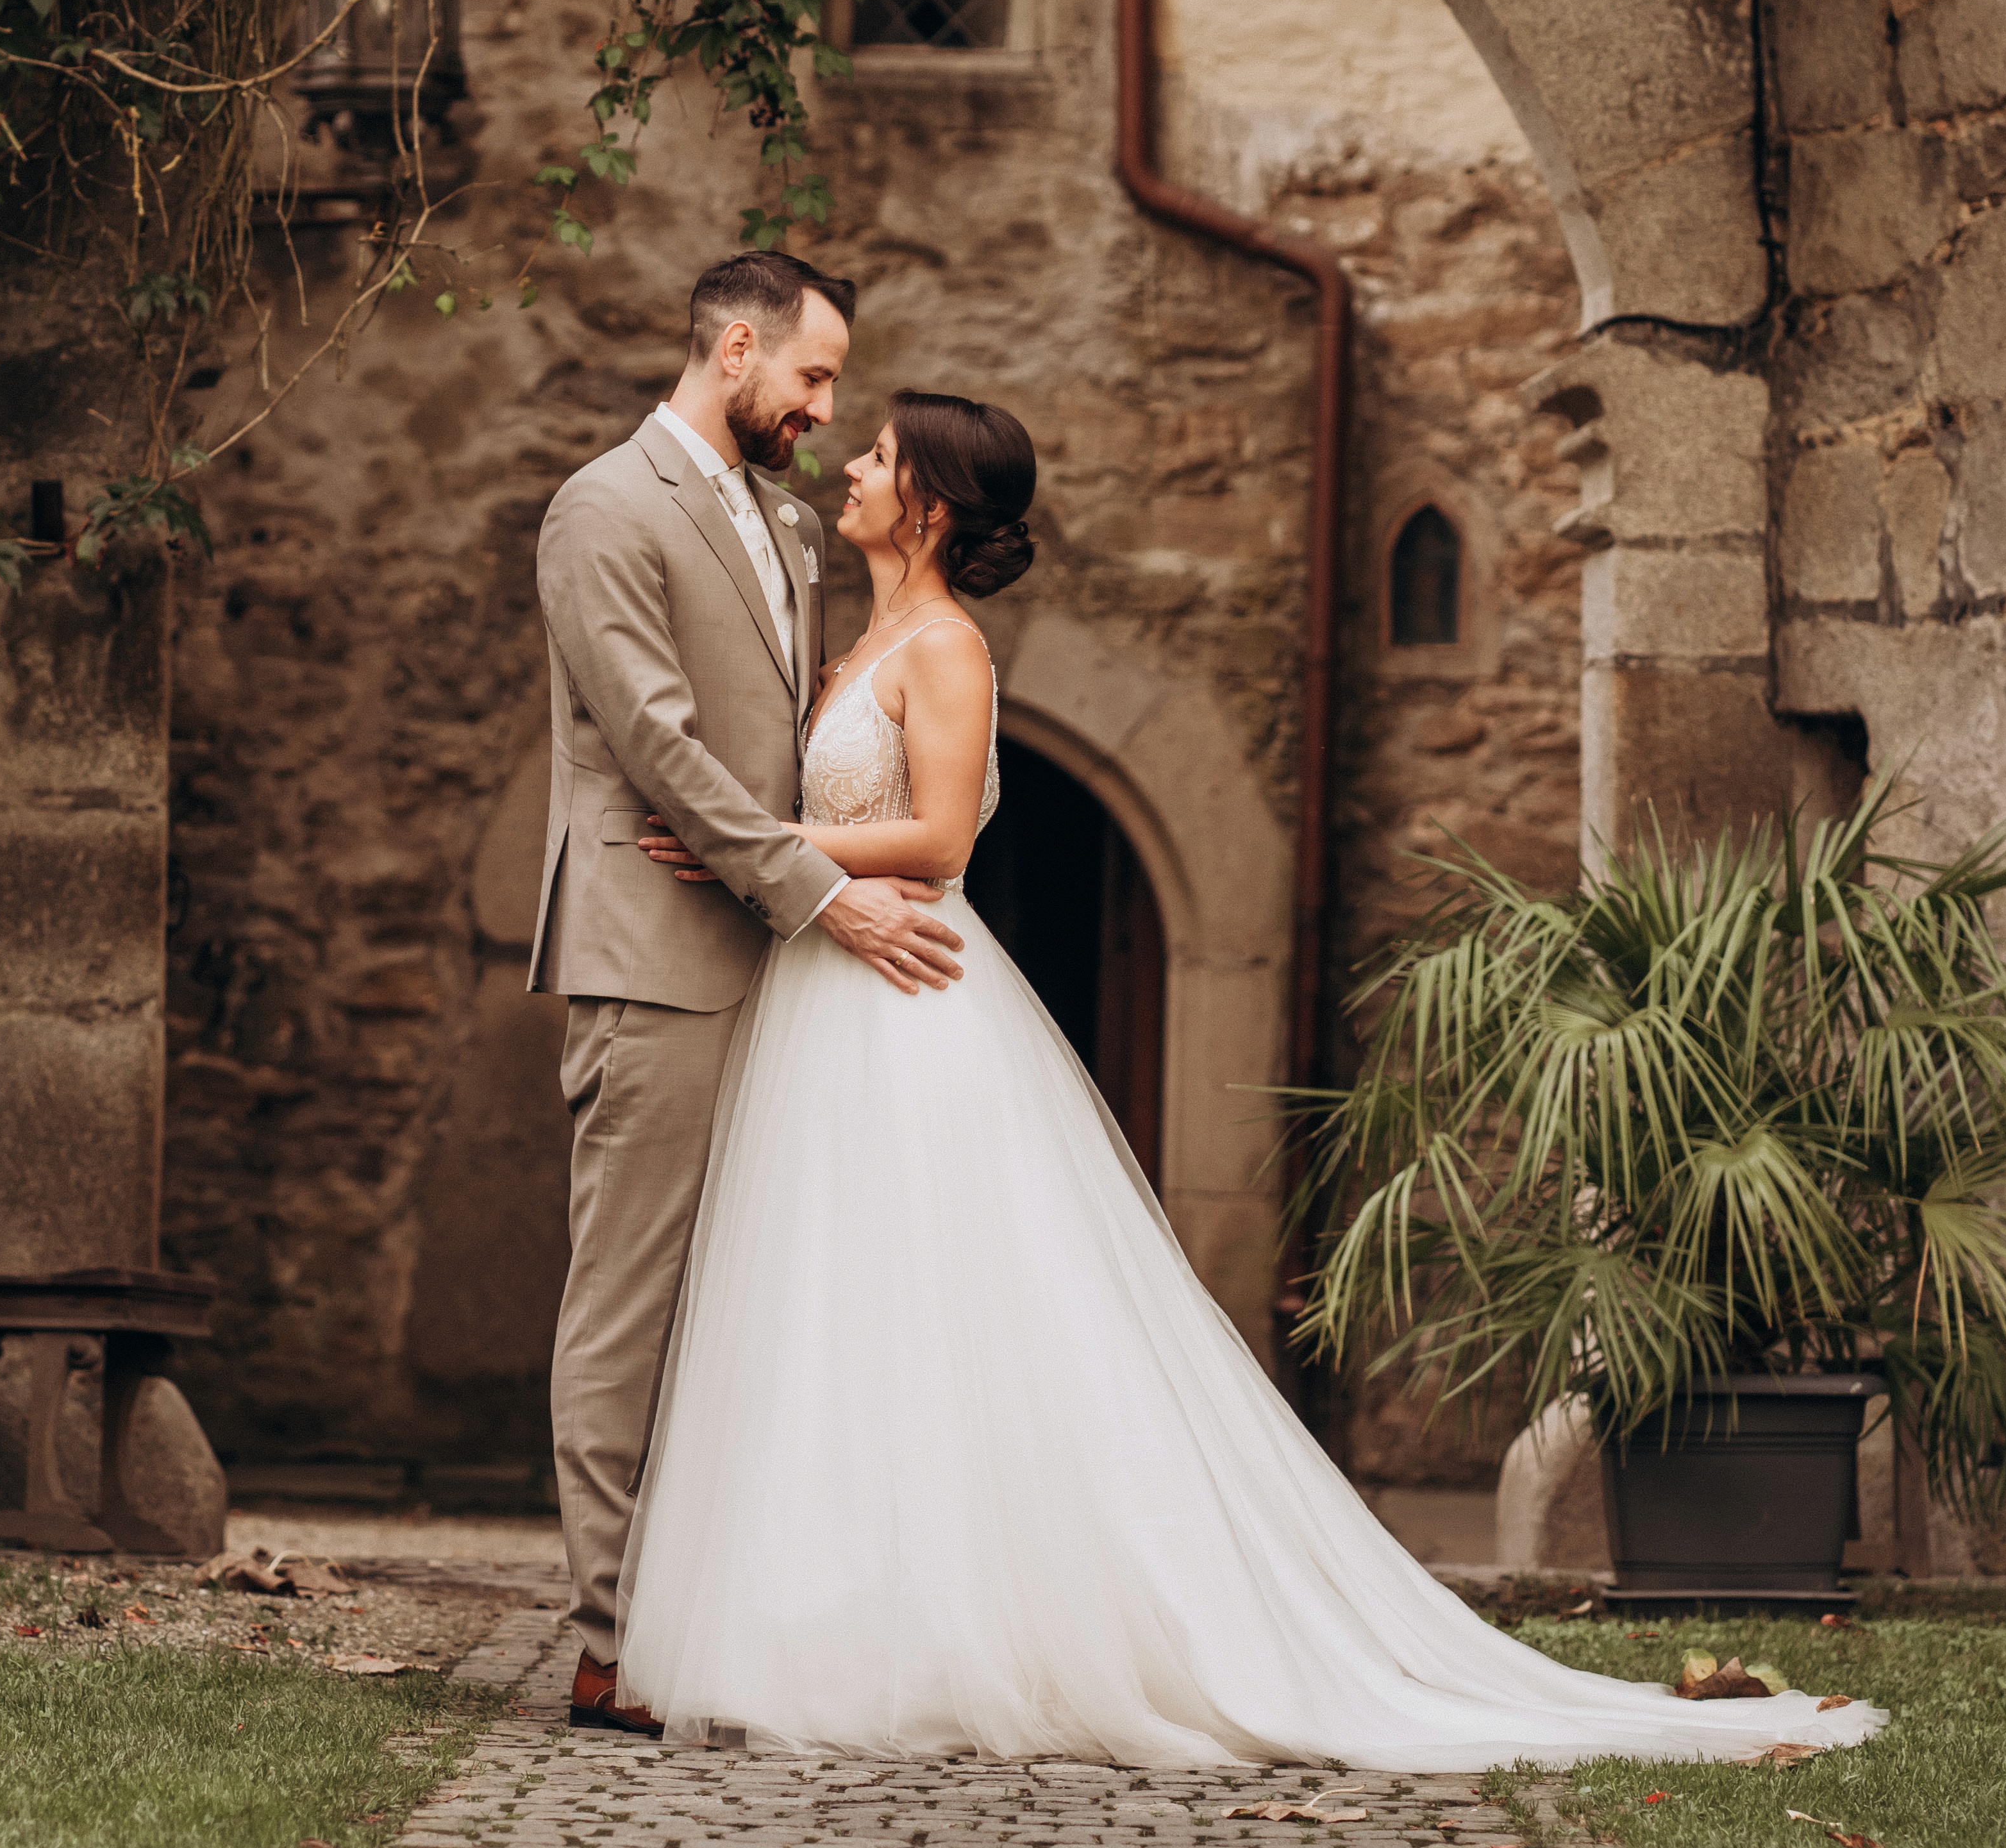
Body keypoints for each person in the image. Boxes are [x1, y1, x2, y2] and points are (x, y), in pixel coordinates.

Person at [606, 389, 1887, 1769]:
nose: (848, 467)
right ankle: (838, 1610)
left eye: (876, 457)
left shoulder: (949, 647)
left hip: (908, 989)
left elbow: (933, 836)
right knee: (836, 1303)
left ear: (924, 502)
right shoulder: (860, 635)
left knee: (947, 1301)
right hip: (831, 990)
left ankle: (969, 1628)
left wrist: (760, 836)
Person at [526, 251, 969, 1737]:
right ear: (734, 348)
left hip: (777, 971)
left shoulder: (785, 522)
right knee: (630, 1309)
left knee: (764, 1311)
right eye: (814, 376)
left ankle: (735, 1618)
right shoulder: (601, 508)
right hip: (656, 960)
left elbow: (784, 755)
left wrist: (817, 881)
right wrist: (826, 890)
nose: (825, 410)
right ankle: (604, 1647)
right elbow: (655, 741)